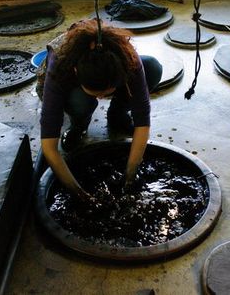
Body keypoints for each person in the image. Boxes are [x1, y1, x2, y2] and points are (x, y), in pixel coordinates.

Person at [39, 19, 162, 202]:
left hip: (111, 70)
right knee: (81, 102)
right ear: (76, 72)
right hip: (71, 88)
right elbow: (49, 147)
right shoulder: (60, 66)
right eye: (97, 93)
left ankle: (117, 115)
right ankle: (79, 126)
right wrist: (79, 193)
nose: (102, 98)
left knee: (152, 66)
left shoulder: (126, 58)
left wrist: (129, 176)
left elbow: (143, 121)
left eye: (107, 92)